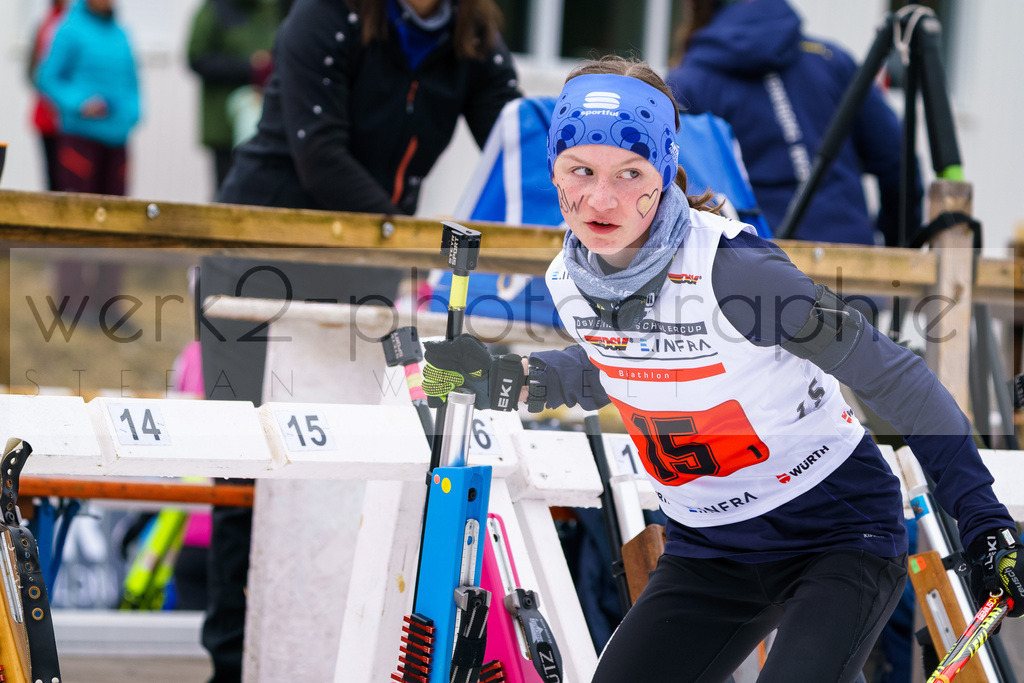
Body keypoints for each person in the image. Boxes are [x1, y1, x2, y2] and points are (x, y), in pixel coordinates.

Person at [420, 56, 1022, 682]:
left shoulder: (739, 274)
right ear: (554, 171)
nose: (602, 198)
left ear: (666, 173)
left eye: (631, 172)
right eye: (581, 170)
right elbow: (616, 363)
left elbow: (893, 374)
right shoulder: (568, 279)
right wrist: (512, 375)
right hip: (711, 552)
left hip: (835, 534)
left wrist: (981, 518)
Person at [198, 0, 521, 680]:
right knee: (244, 469)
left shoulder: (473, 35)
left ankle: (337, 654)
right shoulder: (326, 17)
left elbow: (517, 144)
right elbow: (320, 158)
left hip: (365, 270)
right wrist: (419, 243)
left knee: (360, 470)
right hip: (256, 259)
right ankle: (230, 663)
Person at [665, 0, 916, 246]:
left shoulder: (688, 83)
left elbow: (677, 189)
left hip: (757, 271)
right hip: (857, 266)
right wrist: (897, 251)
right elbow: (899, 162)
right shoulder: (831, 60)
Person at [35, 0, 141, 329]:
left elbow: (134, 87)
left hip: (116, 142)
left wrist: (132, 114)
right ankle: (71, 303)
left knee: (116, 223)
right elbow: (47, 77)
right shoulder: (68, 28)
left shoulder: (122, 34)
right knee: (76, 220)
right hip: (80, 141)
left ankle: (107, 303)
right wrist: (80, 103)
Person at [186, 0, 283, 193]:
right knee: (228, 193)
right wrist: (249, 68)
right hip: (223, 127)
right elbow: (196, 57)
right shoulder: (214, 8)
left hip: (264, 122)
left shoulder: (270, 9)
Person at [27, 0, 67, 191]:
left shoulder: (74, 24)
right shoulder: (45, 23)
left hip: (72, 120)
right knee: (52, 180)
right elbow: (32, 71)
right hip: (47, 116)